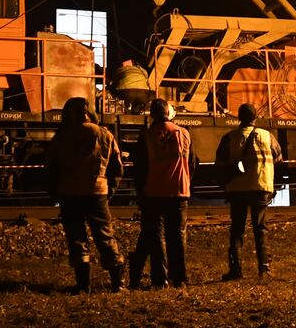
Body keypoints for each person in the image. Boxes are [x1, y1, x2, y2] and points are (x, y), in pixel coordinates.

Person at [44, 96, 125, 294]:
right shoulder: (104, 134)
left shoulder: (61, 136)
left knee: (77, 237)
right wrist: (109, 190)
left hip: (69, 193)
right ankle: (118, 283)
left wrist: (55, 192)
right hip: (97, 192)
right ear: (90, 112)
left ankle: (82, 285)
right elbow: (117, 167)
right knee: (105, 236)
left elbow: (50, 167)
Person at [129, 99, 198, 289]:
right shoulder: (184, 133)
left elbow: (140, 168)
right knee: (177, 235)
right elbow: (192, 163)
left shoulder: (147, 136)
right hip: (179, 191)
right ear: (168, 111)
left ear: (152, 114)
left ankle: (160, 280)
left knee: (156, 236)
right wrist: (185, 180)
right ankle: (180, 279)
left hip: (154, 192)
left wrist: (141, 194)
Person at [216, 103, 284, 280]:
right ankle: (264, 269)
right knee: (260, 228)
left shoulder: (229, 138)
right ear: (255, 118)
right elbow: (278, 159)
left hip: (237, 190)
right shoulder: (267, 136)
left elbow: (220, 166)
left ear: (239, 117)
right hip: (260, 188)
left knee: (237, 230)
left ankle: (236, 270)